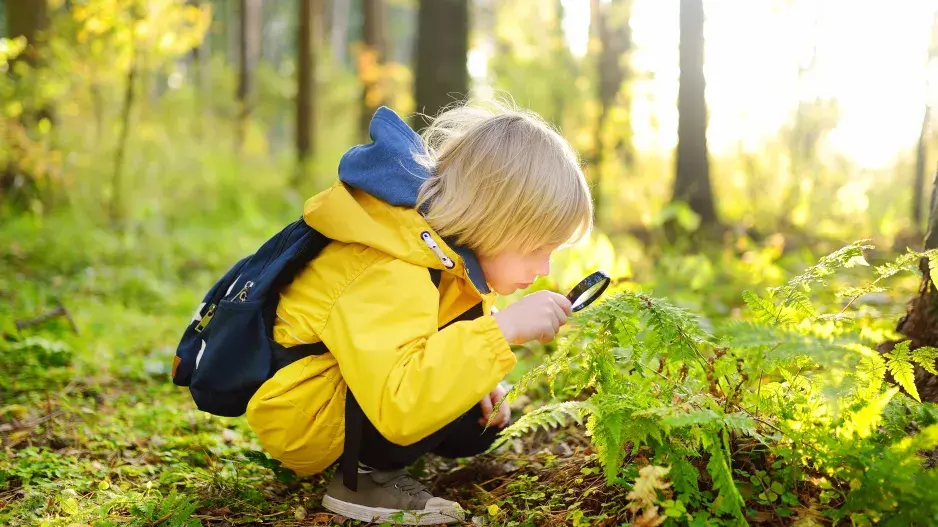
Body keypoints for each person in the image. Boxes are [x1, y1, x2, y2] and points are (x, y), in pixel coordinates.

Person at [245, 99, 593, 525]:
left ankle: (377, 460)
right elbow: (400, 397)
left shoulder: (448, 259)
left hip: (364, 388)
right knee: (441, 397)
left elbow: (435, 338)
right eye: (537, 249)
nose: (544, 269)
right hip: (305, 414)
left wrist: (479, 374)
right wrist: (499, 333)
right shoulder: (392, 265)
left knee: (475, 421)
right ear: (493, 221)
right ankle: (362, 481)